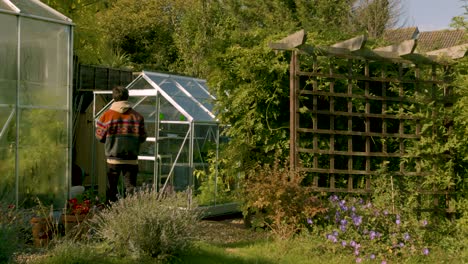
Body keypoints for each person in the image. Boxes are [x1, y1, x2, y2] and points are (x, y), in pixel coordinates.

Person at [95, 86, 147, 202]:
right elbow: (142, 137)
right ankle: (130, 213)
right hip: (131, 159)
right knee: (131, 189)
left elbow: (99, 136)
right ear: (127, 97)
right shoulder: (138, 117)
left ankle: (111, 213)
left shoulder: (106, 116)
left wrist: (110, 141)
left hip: (113, 159)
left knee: (112, 188)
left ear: (113, 98)